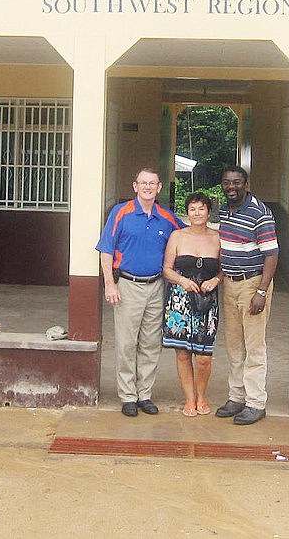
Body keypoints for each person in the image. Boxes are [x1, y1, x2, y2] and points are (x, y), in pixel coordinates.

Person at [97, 167, 184, 417]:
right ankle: (127, 396)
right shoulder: (121, 213)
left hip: (156, 286)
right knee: (126, 343)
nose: (147, 187)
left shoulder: (167, 219)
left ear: (159, 188)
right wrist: (109, 284)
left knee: (150, 343)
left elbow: (186, 238)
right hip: (127, 286)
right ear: (135, 186)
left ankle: (144, 394)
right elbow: (106, 250)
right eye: (143, 183)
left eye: (152, 183)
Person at [215, 166, 279, 425]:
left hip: (253, 284)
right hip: (230, 285)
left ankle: (255, 403)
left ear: (246, 184)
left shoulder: (259, 213)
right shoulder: (224, 210)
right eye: (227, 182)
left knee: (254, 347)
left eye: (237, 182)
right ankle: (236, 396)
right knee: (233, 345)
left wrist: (261, 292)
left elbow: (271, 254)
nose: (232, 187)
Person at [161, 192, 222, 417]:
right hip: (179, 302)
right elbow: (167, 269)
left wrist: (215, 279)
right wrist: (183, 281)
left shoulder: (217, 238)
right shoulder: (177, 236)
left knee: (204, 356)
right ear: (187, 213)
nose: (197, 213)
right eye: (192, 209)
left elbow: (223, 270)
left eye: (201, 209)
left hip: (207, 302)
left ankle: (202, 396)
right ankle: (189, 399)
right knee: (183, 353)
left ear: (208, 212)